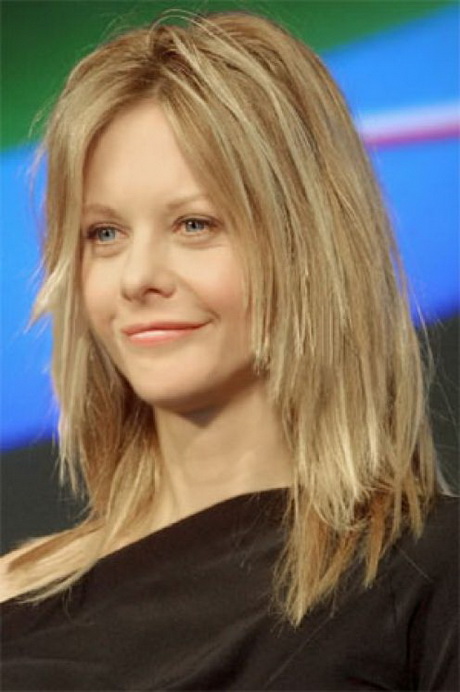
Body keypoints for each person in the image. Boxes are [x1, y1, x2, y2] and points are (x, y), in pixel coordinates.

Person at [1, 8, 458, 691]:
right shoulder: (14, 596)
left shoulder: (427, 572)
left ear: (308, 249)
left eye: (195, 224)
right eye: (105, 234)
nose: (137, 277)